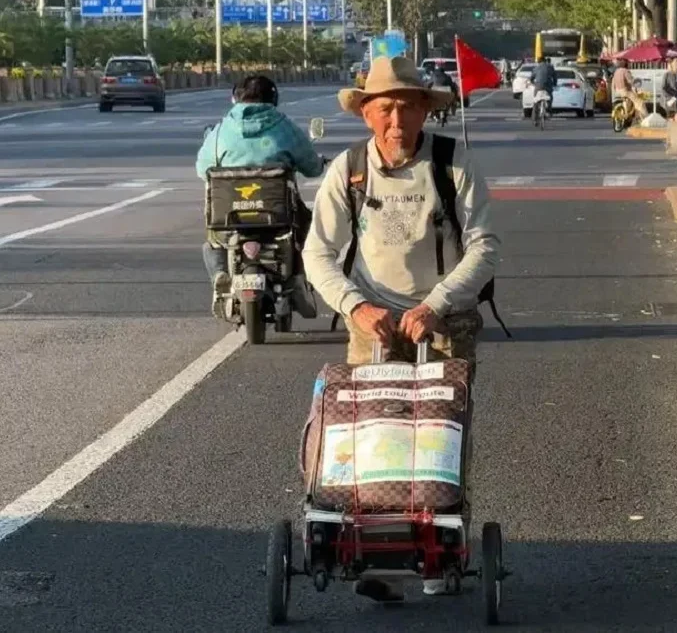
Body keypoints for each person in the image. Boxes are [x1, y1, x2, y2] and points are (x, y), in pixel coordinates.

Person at [301, 55, 499, 600]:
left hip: (444, 316)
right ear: (366, 113)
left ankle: (440, 556)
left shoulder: (451, 164)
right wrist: (354, 307)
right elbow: (317, 252)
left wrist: (436, 303)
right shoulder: (349, 169)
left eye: (406, 109)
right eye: (384, 109)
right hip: (374, 317)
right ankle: (377, 554)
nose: (396, 122)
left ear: (423, 112)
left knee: (438, 438)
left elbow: (485, 246)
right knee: (376, 436)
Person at [195, 75, 325, 319]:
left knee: (212, 242)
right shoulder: (284, 126)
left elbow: (203, 169)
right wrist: (319, 164)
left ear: (234, 98)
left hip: (228, 219)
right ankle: (298, 278)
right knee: (308, 229)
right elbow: (312, 167)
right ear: (273, 98)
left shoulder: (221, 129)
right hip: (278, 217)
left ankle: (219, 275)